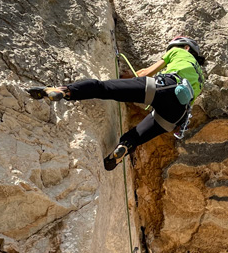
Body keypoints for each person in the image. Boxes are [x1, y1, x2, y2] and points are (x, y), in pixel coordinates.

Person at [26, 36, 207, 170]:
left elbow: (145, 73)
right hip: (178, 114)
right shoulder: (201, 79)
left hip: (165, 87)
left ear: (186, 47)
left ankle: (63, 91)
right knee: (136, 136)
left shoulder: (178, 51)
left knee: (103, 88)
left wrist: (128, 76)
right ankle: (123, 148)